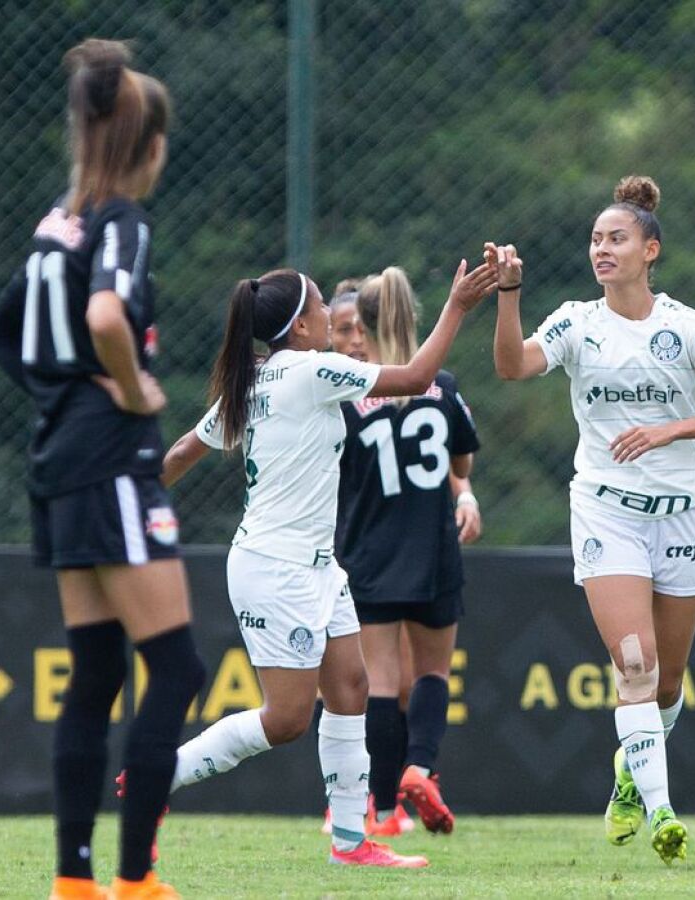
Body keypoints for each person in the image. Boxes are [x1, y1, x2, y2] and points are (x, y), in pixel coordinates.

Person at [158, 258, 495, 868]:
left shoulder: (254, 379)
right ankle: (162, 775)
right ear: (303, 325)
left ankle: (349, 841)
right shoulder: (312, 371)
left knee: (352, 690)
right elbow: (419, 373)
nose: (330, 316)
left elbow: (183, 450)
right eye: (319, 308)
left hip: (317, 565)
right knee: (285, 719)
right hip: (275, 567)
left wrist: (135, 502)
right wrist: (459, 307)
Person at [492, 175, 695, 865]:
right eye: (595, 239)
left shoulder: (688, 327)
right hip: (607, 511)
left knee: (668, 684)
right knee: (633, 664)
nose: (601, 250)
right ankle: (663, 810)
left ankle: (628, 775)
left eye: (616, 239)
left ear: (651, 249)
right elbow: (513, 366)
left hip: (685, 516)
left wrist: (674, 430)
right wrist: (510, 294)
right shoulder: (577, 321)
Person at [0, 39, 205, 900]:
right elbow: (108, 315)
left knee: (97, 671)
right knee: (180, 669)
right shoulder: (121, 220)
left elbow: (8, 325)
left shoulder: (56, 222)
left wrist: (58, 395)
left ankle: (74, 881)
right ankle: (136, 878)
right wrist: (129, 389)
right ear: (146, 144)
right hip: (110, 459)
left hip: (56, 458)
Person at [333, 266, 483, 837]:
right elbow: (460, 463)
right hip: (434, 551)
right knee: (432, 672)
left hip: (368, 555)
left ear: (362, 329)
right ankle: (420, 767)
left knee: (380, 683)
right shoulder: (442, 386)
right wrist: (463, 493)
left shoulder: (349, 395)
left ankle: (386, 812)